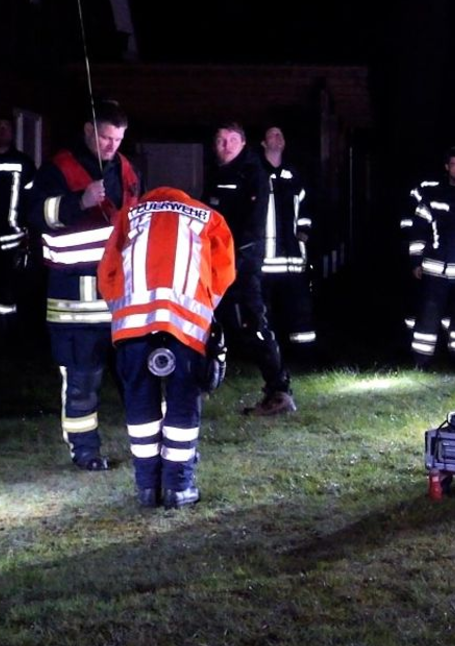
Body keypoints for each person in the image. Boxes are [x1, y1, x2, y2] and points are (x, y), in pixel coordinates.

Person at [98, 187, 236, 508]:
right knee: (183, 401)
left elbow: (107, 272)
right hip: (185, 323)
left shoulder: (129, 216)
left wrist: (122, 309)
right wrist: (204, 307)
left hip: (133, 324)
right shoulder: (209, 217)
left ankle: (147, 488)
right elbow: (225, 270)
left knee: (139, 403)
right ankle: (178, 487)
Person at [26, 99, 140, 470]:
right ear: (89, 131)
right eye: (106, 137)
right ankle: (85, 451)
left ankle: (148, 443)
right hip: (73, 301)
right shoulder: (57, 169)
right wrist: (79, 200)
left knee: (135, 375)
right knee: (81, 382)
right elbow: (35, 215)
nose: (112, 146)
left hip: (119, 300)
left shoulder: (124, 168)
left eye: (118, 139)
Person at [204, 121, 296, 415]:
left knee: (254, 324)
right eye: (220, 140)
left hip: (243, 264)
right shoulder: (217, 174)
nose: (226, 145)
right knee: (215, 322)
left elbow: (253, 226)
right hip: (215, 263)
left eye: (232, 140)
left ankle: (279, 391)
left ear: (243, 144)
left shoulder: (253, 174)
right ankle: (202, 381)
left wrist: (238, 261)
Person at [401, 146, 455, 369]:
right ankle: (421, 361)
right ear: (447, 167)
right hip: (436, 269)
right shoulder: (432, 197)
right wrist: (416, 262)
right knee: (428, 318)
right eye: (454, 164)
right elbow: (418, 231)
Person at [260, 125, 317, 353]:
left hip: (293, 259)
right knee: (265, 310)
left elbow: (307, 207)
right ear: (263, 143)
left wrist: (304, 229)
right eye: (273, 134)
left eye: (281, 134)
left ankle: (304, 354)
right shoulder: (256, 175)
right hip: (264, 261)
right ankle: (267, 352)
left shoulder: (294, 177)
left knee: (299, 308)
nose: (278, 137)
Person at [0, 115, 37, 341]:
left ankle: (7, 335)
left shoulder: (24, 163)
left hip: (12, 240)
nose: (3, 131)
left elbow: (32, 199)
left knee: (8, 288)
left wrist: (28, 232)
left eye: (7, 127)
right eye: (0, 126)